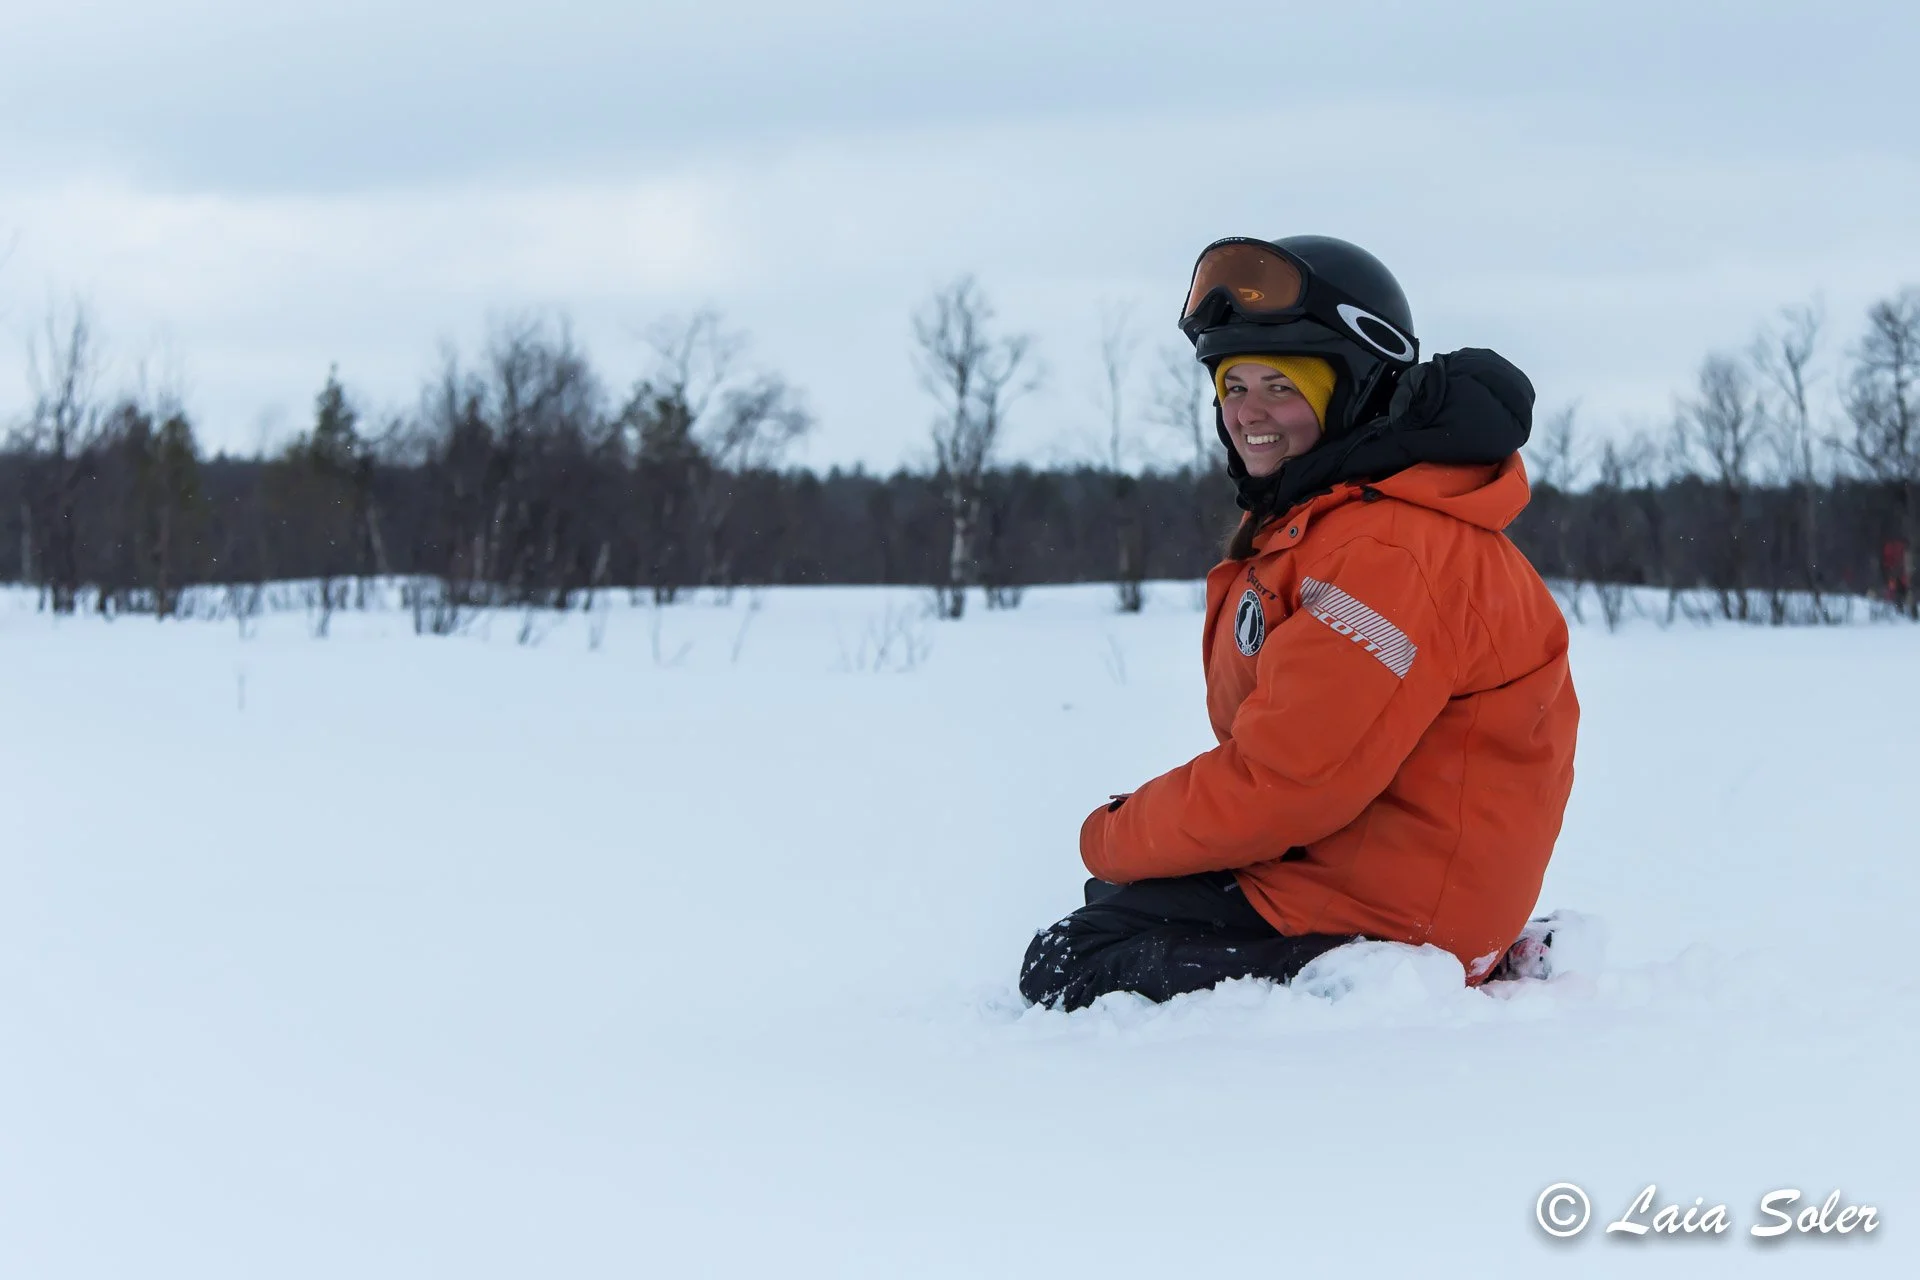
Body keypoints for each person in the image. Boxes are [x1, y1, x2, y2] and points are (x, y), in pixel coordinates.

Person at [1019, 235, 1580, 1011]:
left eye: (1280, 385)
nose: (1248, 412)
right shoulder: (1340, 527)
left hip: (1396, 907)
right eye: (1232, 383)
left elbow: (1287, 783)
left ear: (1352, 391)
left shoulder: (1389, 551)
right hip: (1367, 867)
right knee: (1122, 895)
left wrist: (1112, 831)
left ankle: (1369, 990)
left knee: (1072, 960)